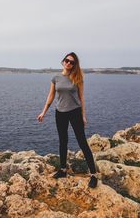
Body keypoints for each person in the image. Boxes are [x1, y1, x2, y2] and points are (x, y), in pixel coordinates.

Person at [37, 52, 98, 188]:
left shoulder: (77, 78)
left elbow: (81, 98)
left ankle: (93, 174)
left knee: (82, 142)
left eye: (72, 62)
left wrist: (83, 115)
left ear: (75, 65)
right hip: (60, 113)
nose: (69, 63)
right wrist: (43, 112)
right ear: (63, 61)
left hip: (75, 112)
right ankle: (63, 170)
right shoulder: (56, 77)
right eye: (67, 60)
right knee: (62, 141)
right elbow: (51, 96)